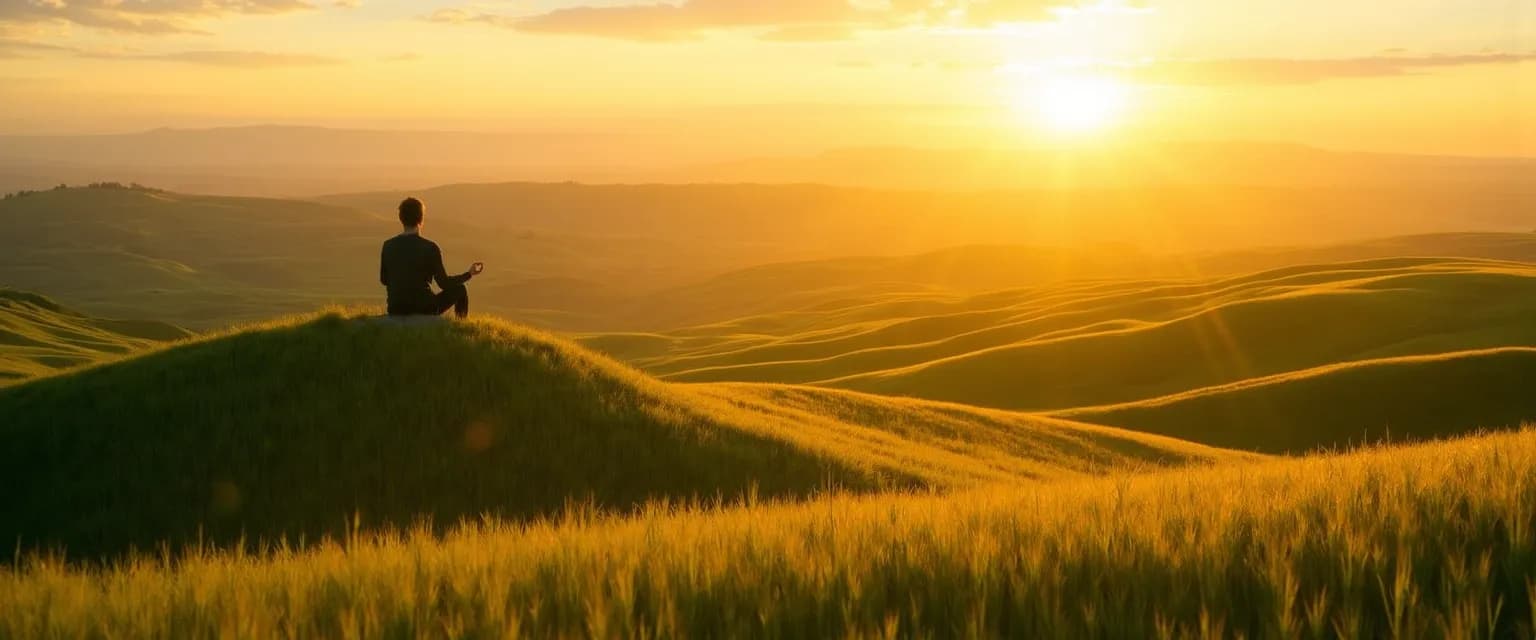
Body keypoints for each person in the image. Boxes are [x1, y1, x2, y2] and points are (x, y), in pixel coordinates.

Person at [380, 197, 484, 318]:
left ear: (401, 219)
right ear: (421, 219)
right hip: (424, 307)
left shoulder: (388, 246)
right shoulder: (430, 247)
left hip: (395, 308)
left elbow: (384, 280)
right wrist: (469, 274)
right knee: (460, 289)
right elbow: (444, 283)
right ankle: (460, 326)